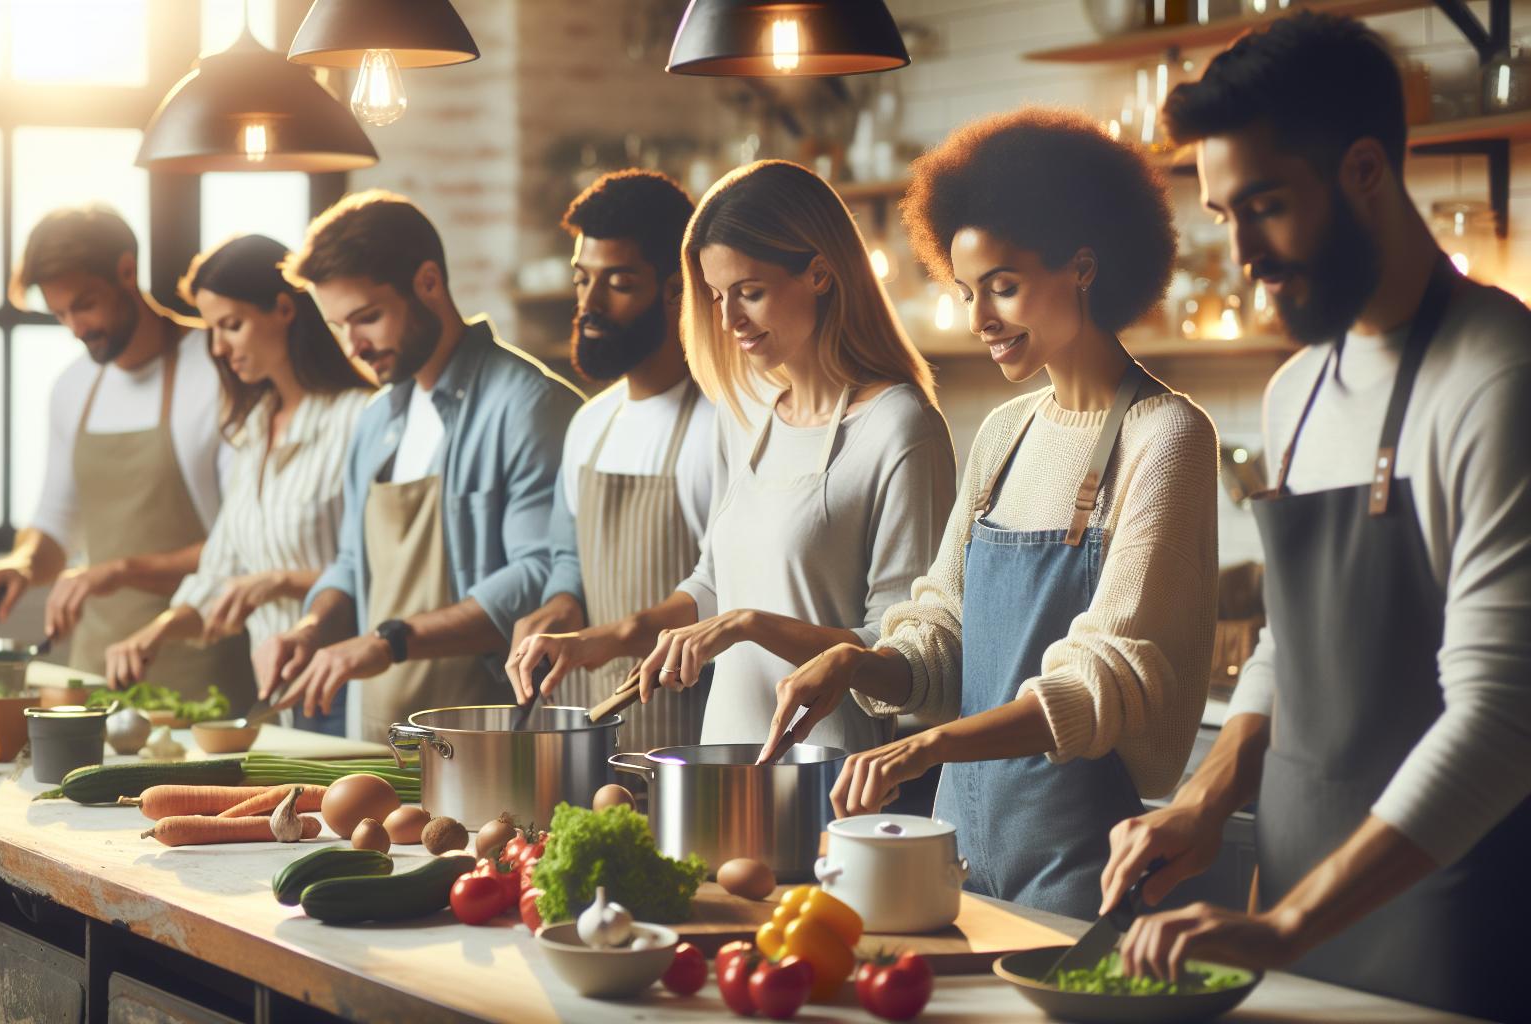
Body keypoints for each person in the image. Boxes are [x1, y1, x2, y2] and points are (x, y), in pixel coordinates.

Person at [1098, 15, 1531, 1019]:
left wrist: (1293, 921)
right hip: (1293, 911)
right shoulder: (1296, 391)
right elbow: (1290, 644)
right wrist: (1206, 797)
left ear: (1365, 169)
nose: (1242, 252)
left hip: (1451, 926)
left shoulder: (1497, 378)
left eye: (1266, 207)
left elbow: (1504, 718)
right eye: (1223, 214)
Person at [759, 109, 1220, 921]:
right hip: (955, 851)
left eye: (1002, 286)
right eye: (967, 292)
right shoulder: (1005, 436)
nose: (979, 320)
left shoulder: (1166, 436)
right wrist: (856, 662)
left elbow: (1102, 679)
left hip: (1082, 864)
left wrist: (933, 744)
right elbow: (943, 635)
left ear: (1083, 267)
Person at [517, 160, 956, 754]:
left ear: (819, 274)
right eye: (717, 295)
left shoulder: (899, 427)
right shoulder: (745, 411)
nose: (728, 320)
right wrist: (603, 640)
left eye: (750, 293)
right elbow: (711, 583)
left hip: (830, 769)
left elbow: (903, 656)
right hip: (722, 756)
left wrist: (749, 625)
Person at [255, 191, 582, 741]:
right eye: (338, 326)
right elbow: (353, 563)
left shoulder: (527, 405)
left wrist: (388, 642)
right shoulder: (376, 418)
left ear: (428, 282)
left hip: (482, 735)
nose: (354, 346)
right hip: (373, 732)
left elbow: (540, 575)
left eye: (368, 318)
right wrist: (311, 628)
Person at [0, 204, 250, 702]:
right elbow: (56, 523)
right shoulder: (72, 388)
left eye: (84, 305)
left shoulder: (221, 366)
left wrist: (119, 570)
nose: (75, 328)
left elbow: (245, 544)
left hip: (203, 675)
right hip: (96, 674)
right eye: (60, 314)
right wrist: (22, 563)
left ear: (127, 271)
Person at [502, 170, 717, 752]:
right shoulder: (589, 424)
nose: (589, 304)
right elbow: (569, 557)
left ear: (676, 289)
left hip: (694, 747)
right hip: (594, 741)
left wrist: (615, 635)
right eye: (582, 280)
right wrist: (560, 606)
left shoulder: (721, 425)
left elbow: (727, 590)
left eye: (618, 283)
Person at [102, 235, 375, 689]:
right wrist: (155, 634)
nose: (218, 348)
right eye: (211, 330)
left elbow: (380, 573)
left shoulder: (359, 418)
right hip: (277, 688)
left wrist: (279, 582)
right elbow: (220, 571)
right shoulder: (253, 429)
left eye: (231, 325)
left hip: (348, 685)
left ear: (284, 310)